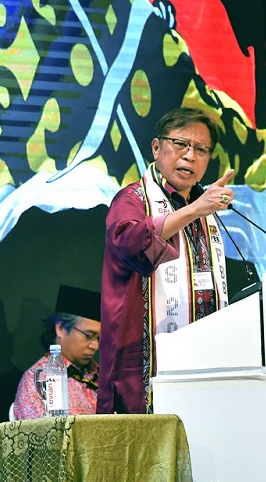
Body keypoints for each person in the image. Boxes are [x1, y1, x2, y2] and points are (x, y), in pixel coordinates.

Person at [99, 106, 234, 414]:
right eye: (180, 144)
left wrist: (198, 208)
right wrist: (195, 209)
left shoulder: (203, 209)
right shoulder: (132, 199)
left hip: (204, 362)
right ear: (157, 147)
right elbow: (131, 243)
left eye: (201, 149)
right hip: (144, 365)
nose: (190, 156)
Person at [13, 285, 101, 419]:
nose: (95, 346)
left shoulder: (103, 376)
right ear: (60, 329)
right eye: (88, 336)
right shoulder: (38, 379)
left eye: (99, 338)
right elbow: (42, 433)